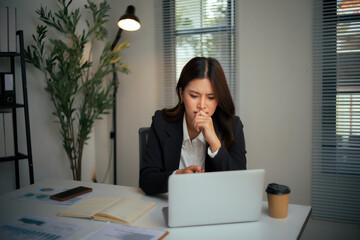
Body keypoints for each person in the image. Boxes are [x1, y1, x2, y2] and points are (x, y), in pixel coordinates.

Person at [139, 57, 246, 195]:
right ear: (181, 94)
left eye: (211, 97)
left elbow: (239, 183)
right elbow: (147, 180)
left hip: (216, 206)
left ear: (218, 99)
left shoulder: (233, 126)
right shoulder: (162, 122)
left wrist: (214, 143)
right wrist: (177, 177)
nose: (202, 105)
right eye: (194, 95)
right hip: (172, 204)